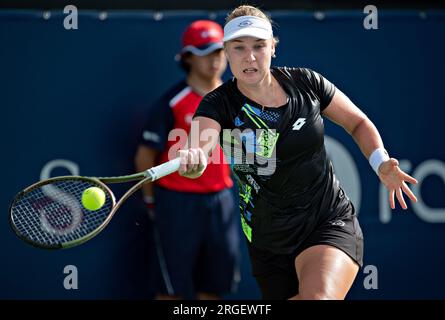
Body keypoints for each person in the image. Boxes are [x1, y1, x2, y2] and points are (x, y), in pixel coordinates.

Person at [176, 5, 418, 300]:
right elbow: (199, 143)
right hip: (267, 241)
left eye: (259, 46)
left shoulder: (307, 83)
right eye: (239, 48)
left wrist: (380, 163)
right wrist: (195, 157)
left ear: (273, 48)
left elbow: (357, 122)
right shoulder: (216, 105)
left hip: (326, 221)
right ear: (226, 52)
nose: (249, 57)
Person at [134, 20, 239, 300]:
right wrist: (151, 201)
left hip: (222, 200)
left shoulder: (238, 98)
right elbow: (145, 156)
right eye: (205, 52)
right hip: (177, 202)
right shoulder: (171, 102)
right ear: (189, 57)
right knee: (171, 289)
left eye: (219, 51)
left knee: (213, 287)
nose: (214, 60)